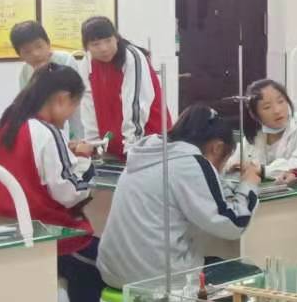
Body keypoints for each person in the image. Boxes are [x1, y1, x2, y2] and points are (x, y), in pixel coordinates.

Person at [0, 64, 102, 302]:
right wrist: (87, 164)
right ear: (62, 98)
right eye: (73, 106)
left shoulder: (5, 128)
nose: (71, 115)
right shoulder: (45, 132)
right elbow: (69, 193)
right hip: (49, 236)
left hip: (9, 233)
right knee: (107, 259)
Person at [99, 105, 263, 288]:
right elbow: (233, 224)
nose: (219, 168)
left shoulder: (148, 153)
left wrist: (219, 177)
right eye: (223, 161)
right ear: (217, 148)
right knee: (254, 276)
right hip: (156, 278)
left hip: (113, 273)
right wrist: (249, 183)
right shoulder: (191, 163)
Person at [78, 16, 166, 158]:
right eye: (95, 44)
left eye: (108, 41)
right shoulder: (87, 63)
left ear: (116, 38)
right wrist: (94, 144)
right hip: (113, 142)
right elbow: (88, 105)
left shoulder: (132, 58)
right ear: (86, 47)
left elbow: (136, 105)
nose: (104, 48)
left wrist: (132, 148)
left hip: (146, 139)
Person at [225, 78, 297, 181]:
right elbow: (233, 163)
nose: (277, 110)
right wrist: (231, 167)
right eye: (267, 107)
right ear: (255, 115)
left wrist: (262, 170)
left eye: (280, 101)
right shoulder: (256, 134)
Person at [10, 20, 84, 143]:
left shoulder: (65, 61)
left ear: (48, 44)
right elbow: (26, 108)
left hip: (70, 127)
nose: (35, 54)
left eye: (39, 46)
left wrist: (78, 137)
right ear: (20, 55)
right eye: (27, 51)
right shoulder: (25, 72)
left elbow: (75, 104)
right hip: (43, 133)